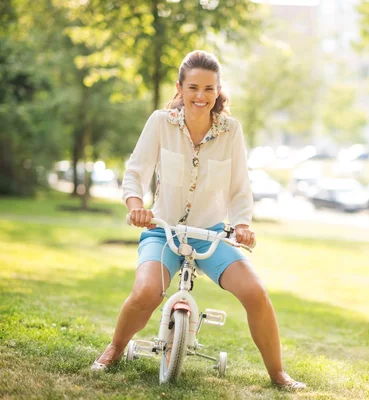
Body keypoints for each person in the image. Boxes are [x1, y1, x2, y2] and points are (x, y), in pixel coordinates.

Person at [91, 50, 306, 391]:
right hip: (163, 230)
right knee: (146, 292)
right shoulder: (160, 122)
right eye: (193, 88)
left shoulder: (230, 131)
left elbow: (239, 188)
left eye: (209, 89)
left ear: (218, 91)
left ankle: (278, 374)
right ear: (180, 88)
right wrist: (137, 207)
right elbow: (135, 173)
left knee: (256, 293)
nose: (201, 96)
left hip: (212, 234)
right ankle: (114, 349)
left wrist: (243, 226)